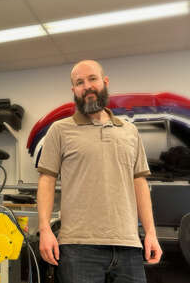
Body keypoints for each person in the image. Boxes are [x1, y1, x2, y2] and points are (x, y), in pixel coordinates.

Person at [36, 60, 162, 283]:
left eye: (92, 79)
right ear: (74, 90)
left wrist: (151, 233)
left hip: (128, 246)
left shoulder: (130, 131)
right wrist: (45, 230)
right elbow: (47, 180)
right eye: (79, 82)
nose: (87, 86)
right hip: (78, 248)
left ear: (104, 82)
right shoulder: (60, 130)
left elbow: (139, 183)